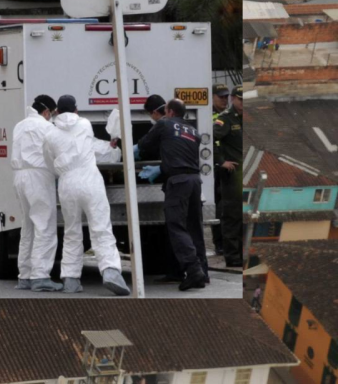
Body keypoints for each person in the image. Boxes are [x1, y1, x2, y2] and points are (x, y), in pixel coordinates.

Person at [42, 95, 129, 295]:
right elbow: (91, 145)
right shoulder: (85, 125)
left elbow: (49, 162)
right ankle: (110, 272)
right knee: (101, 228)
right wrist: (112, 146)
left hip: (66, 183)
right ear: (76, 110)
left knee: (72, 231)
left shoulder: (50, 135)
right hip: (90, 180)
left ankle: (71, 279)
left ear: (56, 111)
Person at [138, 96, 208, 291]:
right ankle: (203, 272)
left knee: (176, 226)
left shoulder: (165, 124)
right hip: (195, 181)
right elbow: (182, 155)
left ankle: (193, 271)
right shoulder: (193, 131)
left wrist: (135, 150)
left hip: (177, 182)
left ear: (169, 112)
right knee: (194, 226)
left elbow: (145, 145)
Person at [12, 95, 62, 292]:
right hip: (38, 177)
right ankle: (40, 275)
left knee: (28, 227)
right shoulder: (46, 127)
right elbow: (56, 152)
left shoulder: (20, 125)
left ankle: (24, 275)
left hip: (19, 177)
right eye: (52, 113)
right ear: (46, 112)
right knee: (45, 226)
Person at [213, 85, 244, 268]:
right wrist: (220, 161)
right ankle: (232, 257)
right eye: (240, 100)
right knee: (232, 217)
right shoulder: (225, 119)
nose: (243, 103)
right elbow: (211, 139)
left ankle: (241, 254)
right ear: (233, 99)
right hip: (232, 177)